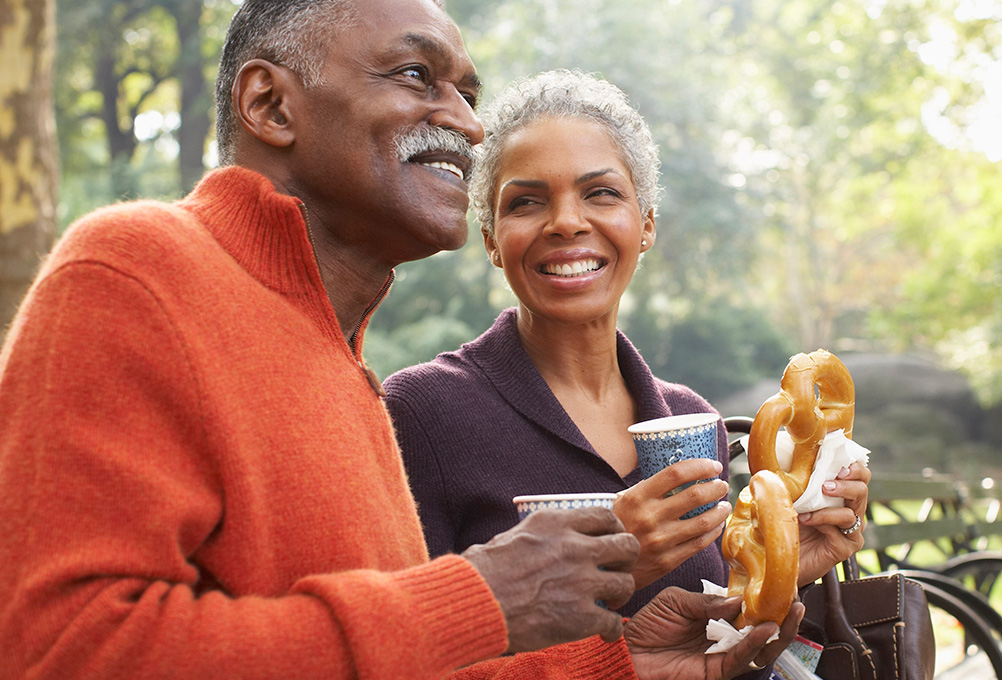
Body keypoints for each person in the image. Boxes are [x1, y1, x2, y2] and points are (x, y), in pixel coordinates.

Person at [0, 1, 801, 678]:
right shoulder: (133, 269)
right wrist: (481, 596)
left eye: (466, 92)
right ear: (272, 106)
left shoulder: (344, 367)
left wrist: (617, 663)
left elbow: (407, 657)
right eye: (418, 76)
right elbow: (57, 649)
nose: (468, 123)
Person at [383, 69, 872, 620]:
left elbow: (710, 644)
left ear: (646, 225)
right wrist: (617, 561)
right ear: (493, 240)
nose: (566, 222)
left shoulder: (694, 422)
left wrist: (782, 574)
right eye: (526, 203)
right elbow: (414, 647)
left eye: (601, 193)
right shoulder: (423, 412)